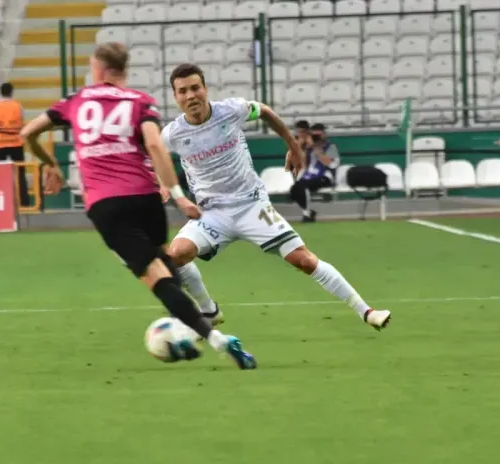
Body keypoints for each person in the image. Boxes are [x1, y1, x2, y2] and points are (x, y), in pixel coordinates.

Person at [19, 43, 257, 370]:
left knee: (156, 278)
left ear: (98, 69)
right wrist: (178, 195)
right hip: (146, 198)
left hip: (106, 204)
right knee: (164, 262)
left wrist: (50, 164)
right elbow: (155, 145)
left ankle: (215, 338)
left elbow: (27, 133)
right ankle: (202, 314)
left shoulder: (76, 100)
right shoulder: (140, 101)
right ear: (124, 70)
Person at [161, 63, 392, 331]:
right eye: (182, 91)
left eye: (195, 88)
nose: (190, 96)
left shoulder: (231, 110)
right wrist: (162, 184)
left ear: (205, 89)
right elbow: (154, 157)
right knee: (174, 256)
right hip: (212, 213)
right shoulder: (172, 134)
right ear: (175, 97)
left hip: (252, 205)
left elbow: (265, 111)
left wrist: (292, 145)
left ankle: (367, 311)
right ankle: (208, 310)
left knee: (303, 259)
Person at [290, 123, 340, 222]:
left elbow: (330, 164)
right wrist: (303, 146)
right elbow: (302, 164)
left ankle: (307, 215)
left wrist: (316, 148)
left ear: (324, 134)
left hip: (325, 177)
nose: (316, 138)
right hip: (309, 176)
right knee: (294, 189)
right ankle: (308, 212)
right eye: (314, 135)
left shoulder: (331, 147)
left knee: (302, 186)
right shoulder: (308, 148)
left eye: (318, 135)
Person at [0, 83, 29, 206]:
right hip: (15, 142)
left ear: (0, 92)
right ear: (11, 92)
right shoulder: (18, 106)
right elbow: (22, 121)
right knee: (20, 173)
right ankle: (24, 202)